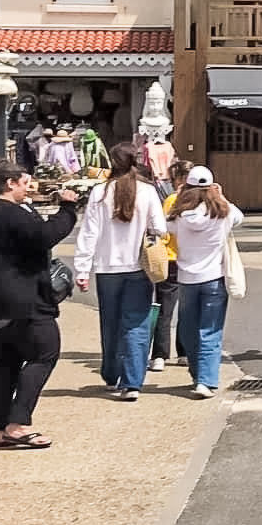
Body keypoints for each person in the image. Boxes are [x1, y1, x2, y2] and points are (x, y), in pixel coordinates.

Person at [0, 163, 79, 448]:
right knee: (44, 353)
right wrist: (67, 209)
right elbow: (45, 237)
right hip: (25, 301)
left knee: (7, 361)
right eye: (25, 183)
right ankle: (18, 423)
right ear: (10, 184)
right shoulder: (13, 215)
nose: (29, 188)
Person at [73, 142, 168, 400]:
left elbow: (89, 232)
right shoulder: (148, 191)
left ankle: (111, 373)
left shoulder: (100, 192)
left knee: (110, 322)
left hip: (107, 267)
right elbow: (160, 227)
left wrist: (82, 268)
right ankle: (132, 382)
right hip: (139, 265)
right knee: (136, 323)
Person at [165, 166, 244, 397]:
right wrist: (221, 195)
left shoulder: (179, 215)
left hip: (187, 278)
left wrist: (181, 195)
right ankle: (206, 381)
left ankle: (197, 372)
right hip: (214, 278)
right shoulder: (222, 212)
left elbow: (163, 226)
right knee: (210, 330)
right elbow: (239, 217)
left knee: (189, 328)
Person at [152, 159, 189, 371]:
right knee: (186, 309)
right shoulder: (200, 201)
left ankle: (160, 355)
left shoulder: (172, 200)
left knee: (165, 309)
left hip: (170, 258)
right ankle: (183, 352)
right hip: (191, 260)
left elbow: (163, 232)